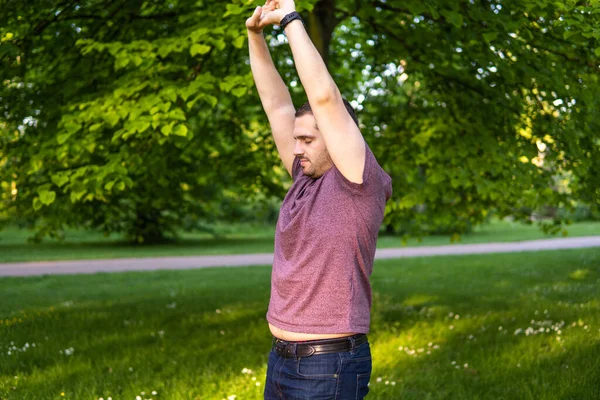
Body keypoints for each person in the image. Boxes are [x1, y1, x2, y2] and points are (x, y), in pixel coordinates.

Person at [246, 0, 393, 398]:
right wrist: (255, 35)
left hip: (328, 365)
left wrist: (291, 19)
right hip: (280, 360)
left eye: (308, 139)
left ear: (338, 136)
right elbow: (276, 105)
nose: (297, 148)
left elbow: (325, 98)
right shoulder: (303, 178)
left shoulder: (359, 182)